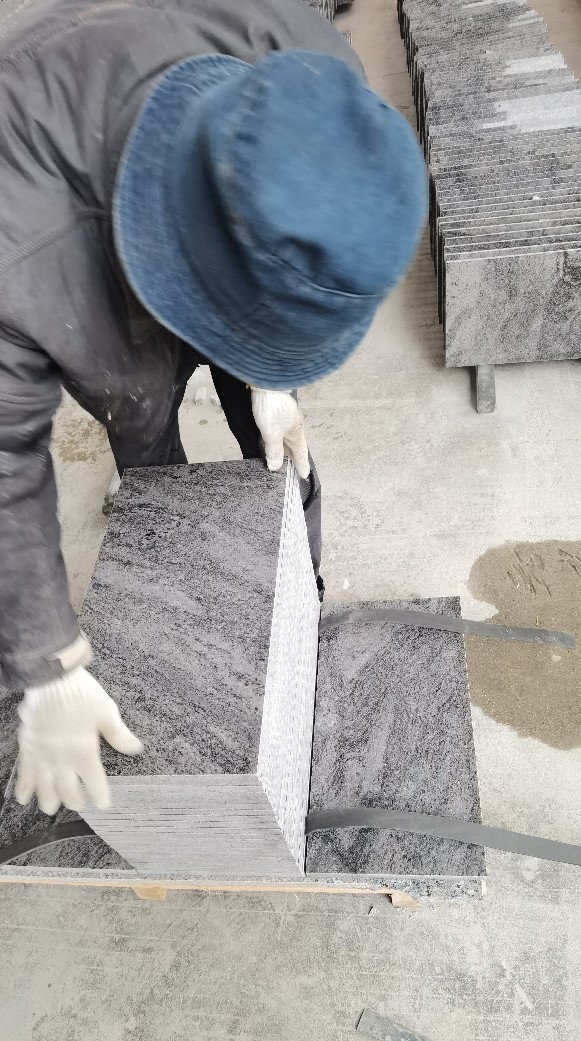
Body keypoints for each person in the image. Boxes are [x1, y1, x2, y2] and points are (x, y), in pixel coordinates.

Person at [0, 0, 426, 816]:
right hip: (65, 246)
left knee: (275, 459)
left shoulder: (310, 76)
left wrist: (273, 380)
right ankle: (171, 623)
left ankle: (291, 606)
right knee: (146, 434)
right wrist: (45, 665)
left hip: (203, 203)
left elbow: (293, 240)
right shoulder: (19, 241)